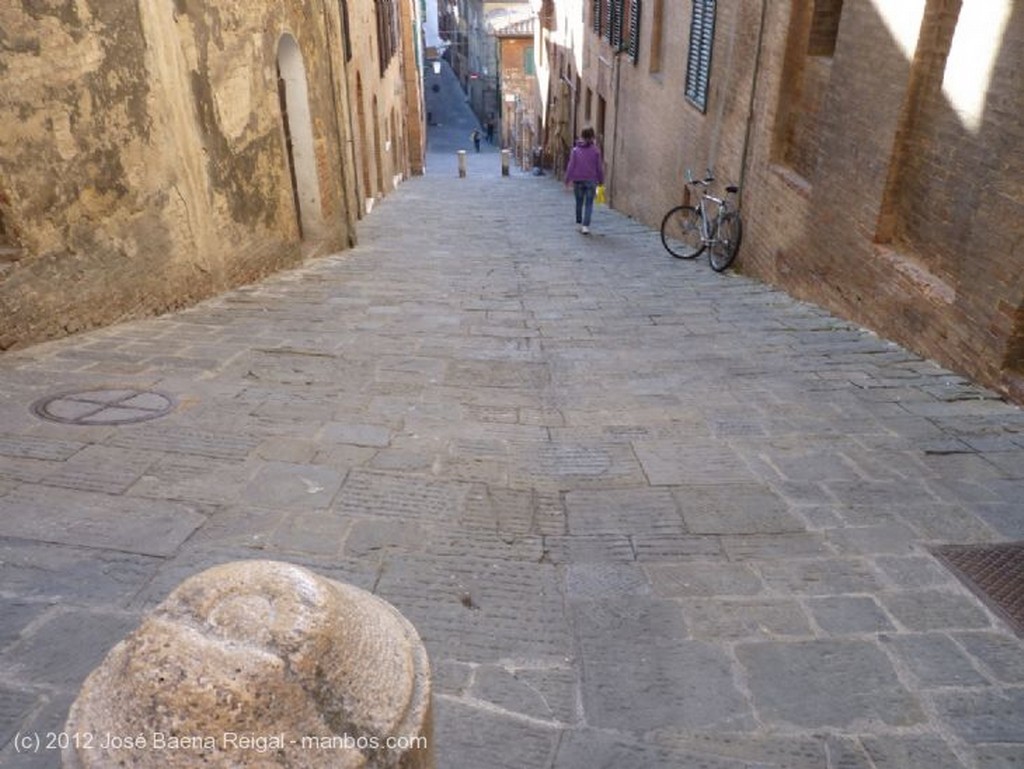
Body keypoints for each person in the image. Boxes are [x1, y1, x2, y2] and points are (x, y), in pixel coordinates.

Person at [563, 127, 604, 234]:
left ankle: (578, 223)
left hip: (578, 180)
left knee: (579, 203)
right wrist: (601, 181)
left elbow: (571, 166)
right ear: (592, 136)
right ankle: (585, 226)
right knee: (589, 204)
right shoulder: (596, 151)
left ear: (581, 136)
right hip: (591, 181)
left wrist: (567, 180)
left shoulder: (575, 150)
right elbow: (599, 167)